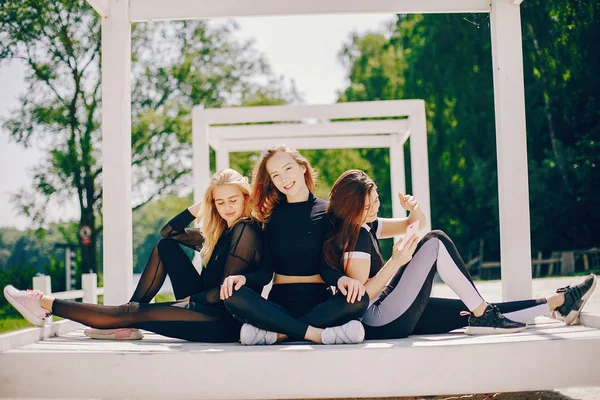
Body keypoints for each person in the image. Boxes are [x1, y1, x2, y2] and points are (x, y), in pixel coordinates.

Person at [323, 169, 597, 339]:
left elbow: (412, 225)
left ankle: (557, 303)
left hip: (389, 312)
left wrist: (413, 209)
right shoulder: (354, 238)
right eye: (367, 205)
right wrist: (396, 262)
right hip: (379, 319)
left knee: (473, 311)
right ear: (350, 206)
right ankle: (484, 315)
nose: (374, 209)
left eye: (376, 201)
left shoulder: (365, 224)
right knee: (437, 241)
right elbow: (361, 301)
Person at [4, 169, 265, 343]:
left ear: (245, 199)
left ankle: (42, 302)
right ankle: (125, 323)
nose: (227, 207)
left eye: (233, 200)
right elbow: (169, 233)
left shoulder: (245, 230)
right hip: (203, 305)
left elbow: (227, 292)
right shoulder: (219, 232)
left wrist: (191, 298)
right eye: (220, 202)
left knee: (130, 312)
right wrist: (200, 206)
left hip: (219, 320)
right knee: (166, 247)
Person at [220, 146, 369, 345]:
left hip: (319, 305)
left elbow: (327, 267)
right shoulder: (270, 217)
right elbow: (265, 273)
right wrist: (242, 278)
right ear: (271, 181)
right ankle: (317, 335)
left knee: (359, 297)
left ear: (302, 167)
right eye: (275, 175)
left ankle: (280, 333)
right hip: (279, 304)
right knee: (232, 294)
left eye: (288, 169)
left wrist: (342, 279)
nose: (283, 179)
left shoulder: (328, 213)